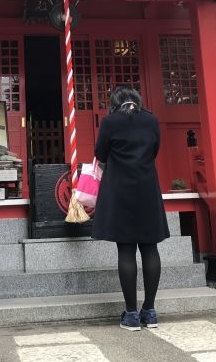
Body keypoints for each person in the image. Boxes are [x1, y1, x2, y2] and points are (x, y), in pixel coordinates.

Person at [91, 85, 169, 331]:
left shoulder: (110, 122)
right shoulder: (151, 120)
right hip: (147, 188)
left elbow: (100, 152)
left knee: (126, 250)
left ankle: (132, 314)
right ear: (138, 99)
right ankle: (151, 311)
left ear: (115, 101)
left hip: (119, 190)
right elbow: (155, 150)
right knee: (150, 247)